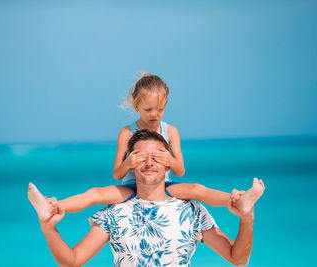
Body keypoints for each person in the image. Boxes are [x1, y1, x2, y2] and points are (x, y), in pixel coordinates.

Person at [28, 130, 264, 266]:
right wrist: (48, 228)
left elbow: (238, 259)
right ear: (131, 165)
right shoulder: (113, 213)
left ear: (168, 164)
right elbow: (72, 260)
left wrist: (247, 216)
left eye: (157, 156)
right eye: (141, 157)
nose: (149, 162)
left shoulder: (193, 211)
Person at [57, 72, 263, 215]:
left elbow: (180, 171)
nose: (155, 115)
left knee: (197, 189)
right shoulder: (127, 132)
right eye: (148, 110)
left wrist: (169, 159)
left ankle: (237, 200)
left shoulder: (171, 131)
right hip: (131, 187)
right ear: (137, 106)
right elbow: (117, 174)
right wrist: (129, 164)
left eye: (160, 109)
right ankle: (55, 206)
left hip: (164, 186)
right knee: (95, 193)